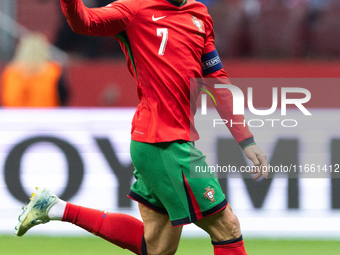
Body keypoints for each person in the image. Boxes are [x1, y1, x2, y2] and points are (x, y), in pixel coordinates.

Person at [15, 1, 269, 254]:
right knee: (228, 228)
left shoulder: (199, 14)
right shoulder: (134, 9)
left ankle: (55, 208)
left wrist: (245, 139)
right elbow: (84, 21)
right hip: (163, 141)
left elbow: (217, 81)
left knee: (158, 247)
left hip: (164, 141)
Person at [0, 33, 68, 107]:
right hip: (47, 116)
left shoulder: (10, 73)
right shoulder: (53, 71)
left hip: (16, 116)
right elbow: (63, 98)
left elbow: (5, 99)